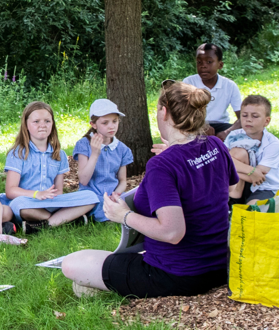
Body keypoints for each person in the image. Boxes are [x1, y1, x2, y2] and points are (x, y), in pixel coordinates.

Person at [61, 81, 238, 299]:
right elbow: (231, 189)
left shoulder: (162, 165)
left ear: (164, 112)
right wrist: (177, 154)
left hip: (176, 274)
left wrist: (124, 215)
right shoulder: (215, 145)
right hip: (222, 265)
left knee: (71, 264)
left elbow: (172, 233)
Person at [3, 101, 100, 231]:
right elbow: (10, 191)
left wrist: (53, 199)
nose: (42, 125)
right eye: (36, 121)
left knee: (91, 197)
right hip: (28, 202)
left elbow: (59, 191)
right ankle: (62, 219)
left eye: (47, 121)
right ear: (26, 125)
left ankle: (45, 224)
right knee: (18, 205)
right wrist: (37, 194)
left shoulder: (59, 154)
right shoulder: (18, 153)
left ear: (52, 124)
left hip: (51, 202)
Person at [72, 99, 135, 222]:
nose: (111, 126)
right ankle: (101, 215)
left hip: (112, 196)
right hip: (90, 195)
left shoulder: (122, 149)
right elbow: (84, 180)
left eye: (114, 121)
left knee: (133, 202)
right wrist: (95, 154)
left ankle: (88, 217)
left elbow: (123, 181)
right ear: (93, 124)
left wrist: (115, 194)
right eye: (105, 123)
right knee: (92, 200)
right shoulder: (84, 144)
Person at [226, 95, 279, 205]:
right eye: (244, 115)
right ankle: (233, 203)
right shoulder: (234, 135)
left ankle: (242, 206)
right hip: (243, 181)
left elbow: (259, 177)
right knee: (237, 153)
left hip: (265, 187)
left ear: (266, 121)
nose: (248, 119)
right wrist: (251, 171)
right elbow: (223, 160)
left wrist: (229, 170)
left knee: (252, 209)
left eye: (255, 116)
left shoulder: (272, 144)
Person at [182, 42, 242, 139]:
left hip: (222, 126)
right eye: (199, 62)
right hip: (195, 126)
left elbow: (243, 117)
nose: (203, 66)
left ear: (220, 65)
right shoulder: (189, 83)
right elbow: (182, 114)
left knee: (240, 137)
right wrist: (200, 126)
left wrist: (226, 132)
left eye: (209, 62)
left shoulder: (229, 86)